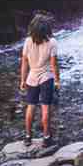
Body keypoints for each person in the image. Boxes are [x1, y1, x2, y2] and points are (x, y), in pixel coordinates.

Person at [19, 13, 60, 146]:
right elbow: (54, 64)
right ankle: (46, 137)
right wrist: (58, 80)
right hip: (46, 78)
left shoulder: (27, 41)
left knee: (30, 107)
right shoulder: (52, 42)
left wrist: (22, 80)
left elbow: (24, 62)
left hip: (32, 78)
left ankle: (27, 136)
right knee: (45, 108)